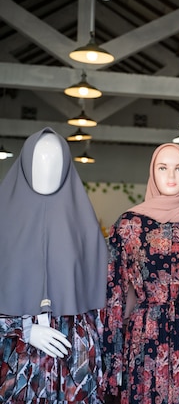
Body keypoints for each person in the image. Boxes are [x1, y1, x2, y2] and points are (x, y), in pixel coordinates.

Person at [101, 143, 179, 404]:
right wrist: (110, 361)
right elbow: (112, 295)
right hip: (144, 337)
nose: (171, 176)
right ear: (153, 171)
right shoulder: (128, 225)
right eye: (163, 168)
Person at [0, 127, 108, 403]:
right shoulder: (3, 220)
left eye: (55, 162)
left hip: (72, 359)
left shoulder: (82, 223)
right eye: (39, 161)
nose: (47, 170)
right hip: (18, 358)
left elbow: (100, 299)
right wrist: (23, 328)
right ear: (25, 163)